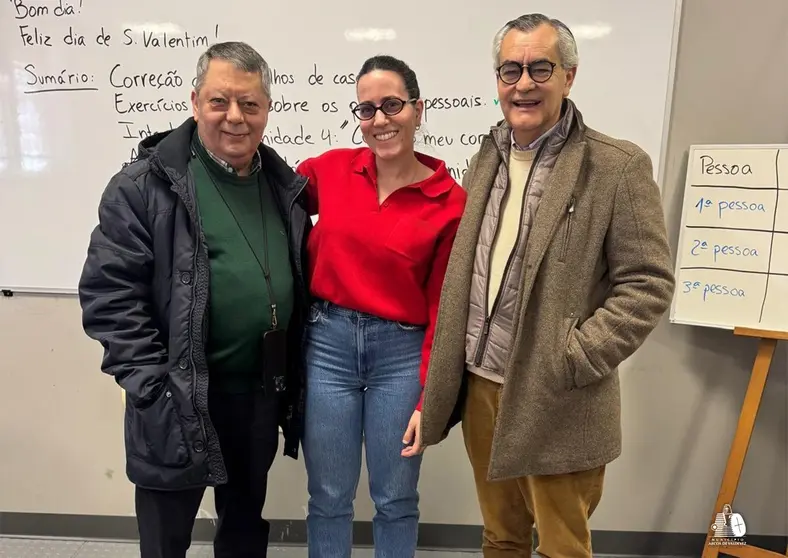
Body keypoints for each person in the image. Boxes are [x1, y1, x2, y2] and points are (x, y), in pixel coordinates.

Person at [419, 13, 676, 558]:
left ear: (569, 76)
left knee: (562, 546)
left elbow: (647, 283)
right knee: (502, 537)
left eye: (541, 67)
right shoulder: (486, 156)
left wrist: (573, 357)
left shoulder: (616, 166)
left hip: (557, 394)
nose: (524, 83)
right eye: (510, 70)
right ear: (497, 80)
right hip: (483, 386)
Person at [77, 41, 311, 558]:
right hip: (175, 396)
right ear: (194, 101)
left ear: (267, 109)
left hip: (255, 396)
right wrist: (151, 385)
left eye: (250, 104)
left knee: (244, 530)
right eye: (219, 101)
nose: (235, 117)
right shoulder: (143, 188)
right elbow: (109, 295)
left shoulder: (282, 186)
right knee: (166, 541)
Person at [295, 55, 467, 558]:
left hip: (401, 356)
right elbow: (262, 203)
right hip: (327, 347)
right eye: (367, 109)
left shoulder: (448, 201)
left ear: (418, 108)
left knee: (395, 498)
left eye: (392, 105)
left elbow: (443, 307)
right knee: (327, 497)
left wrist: (428, 398)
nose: (380, 120)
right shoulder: (329, 170)